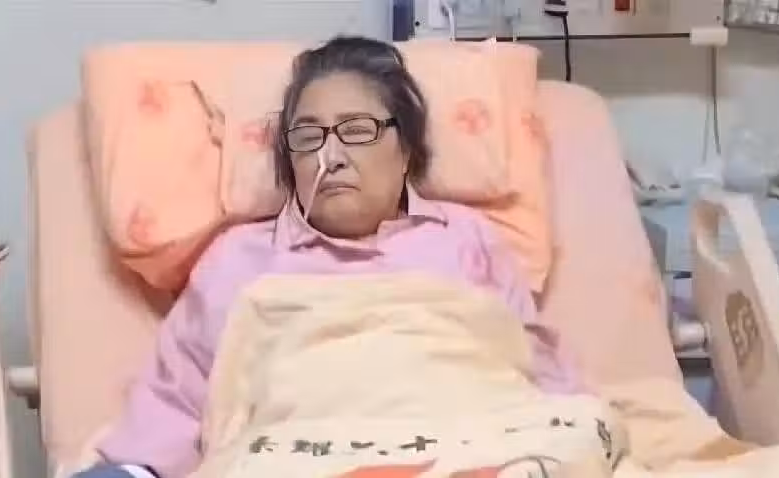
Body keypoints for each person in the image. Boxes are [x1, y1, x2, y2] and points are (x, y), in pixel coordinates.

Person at [72, 36, 581, 478]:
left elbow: (534, 371)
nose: (330, 157)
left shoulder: (467, 239)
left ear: (405, 150)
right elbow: (175, 404)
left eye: (356, 130)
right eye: (308, 137)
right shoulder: (240, 261)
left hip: (469, 450)